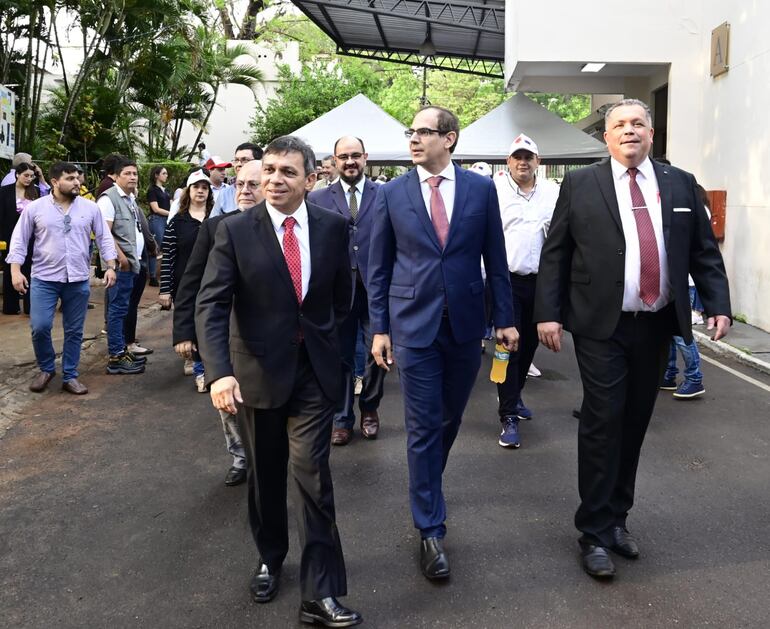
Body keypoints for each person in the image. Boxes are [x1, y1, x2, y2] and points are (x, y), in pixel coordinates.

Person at [534, 98, 731, 579]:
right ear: (606, 136)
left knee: (635, 423)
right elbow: (556, 253)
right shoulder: (581, 185)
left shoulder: (679, 183)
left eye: (637, 123)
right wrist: (548, 314)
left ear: (651, 131)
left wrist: (718, 302)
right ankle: (593, 532)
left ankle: (618, 518)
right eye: (618, 125)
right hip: (602, 325)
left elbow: (702, 250)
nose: (628, 131)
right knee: (603, 421)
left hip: (658, 322)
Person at [195, 136, 361, 626]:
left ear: (311, 179)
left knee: (313, 478)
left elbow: (341, 297)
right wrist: (220, 371)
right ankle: (270, 556)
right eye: (269, 170)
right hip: (254, 378)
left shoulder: (333, 228)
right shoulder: (235, 231)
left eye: (288, 171)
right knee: (266, 478)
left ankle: (321, 593)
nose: (274, 179)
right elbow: (212, 303)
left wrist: (326, 347)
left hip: (314, 374)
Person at [368, 106, 517, 580]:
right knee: (422, 424)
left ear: (449, 139)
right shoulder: (391, 193)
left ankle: (429, 480)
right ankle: (430, 527)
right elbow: (378, 267)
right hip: (412, 326)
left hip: (466, 324)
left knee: (449, 419)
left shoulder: (480, 189)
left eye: (425, 132)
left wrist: (506, 319)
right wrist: (379, 327)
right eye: (410, 132)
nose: (414, 139)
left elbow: (495, 258)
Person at [173, 160, 263, 487]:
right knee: (227, 399)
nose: (245, 191)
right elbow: (191, 282)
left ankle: (267, 455)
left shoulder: (283, 229)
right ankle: (240, 457)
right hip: (223, 331)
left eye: (253, 185)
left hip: (265, 335)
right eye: (239, 184)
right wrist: (184, 331)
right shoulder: (215, 228)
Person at [6, 162, 117, 394]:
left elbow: (104, 238)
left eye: (77, 178)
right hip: (44, 278)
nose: (77, 182)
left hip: (77, 279)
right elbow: (19, 240)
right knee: (40, 326)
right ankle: (47, 368)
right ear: (55, 182)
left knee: (75, 330)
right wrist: (16, 271)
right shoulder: (35, 208)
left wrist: (110, 265)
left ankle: (70, 375)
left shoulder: (90, 208)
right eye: (70, 178)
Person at [308, 136, 386, 445]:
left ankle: (369, 407)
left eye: (355, 155)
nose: (350, 161)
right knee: (339, 356)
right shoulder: (317, 199)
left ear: (366, 157)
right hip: (336, 292)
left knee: (378, 354)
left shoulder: (385, 194)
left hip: (376, 289)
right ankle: (342, 417)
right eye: (344, 156)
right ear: (335, 160)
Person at [492, 133, 559, 448]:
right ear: (508, 162)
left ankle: (514, 397)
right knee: (507, 348)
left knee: (530, 345)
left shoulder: (552, 192)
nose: (522, 162)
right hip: (505, 281)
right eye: (517, 157)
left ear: (538, 162)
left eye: (528, 157)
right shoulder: (495, 192)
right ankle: (507, 415)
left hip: (541, 283)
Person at [98, 159, 156, 374]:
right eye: (127, 173)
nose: (133, 177)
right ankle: (115, 357)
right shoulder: (108, 199)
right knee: (117, 309)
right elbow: (104, 233)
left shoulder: (130, 198)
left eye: (135, 173)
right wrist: (120, 258)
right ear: (116, 176)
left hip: (133, 262)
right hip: (121, 266)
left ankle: (122, 350)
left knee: (124, 308)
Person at [159, 169, 213, 392]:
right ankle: (199, 369)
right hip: (185, 284)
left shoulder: (217, 219)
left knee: (209, 326)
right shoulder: (177, 223)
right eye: (196, 187)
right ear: (188, 191)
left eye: (205, 187)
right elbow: (169, 256)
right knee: (190, 324)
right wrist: (165, 289)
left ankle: (206, 368)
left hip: (213, 282)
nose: (200, 191)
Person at [1, 162, 39, 314]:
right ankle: (11, 306)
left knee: (30, 270)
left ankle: (30, 307)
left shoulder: (36, 192)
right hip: (9, 236)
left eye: (31, 176)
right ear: (17, 174)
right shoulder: (4, 191)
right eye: (26, 175)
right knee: (11, 269)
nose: (29, 179)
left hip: (31, 238)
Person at [209, 142, 263, 217]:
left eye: (245, 160)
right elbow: (212, 224)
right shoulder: (225, 194)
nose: (238, 164)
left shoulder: (270, 191)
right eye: (236, 160)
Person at [146, 165, 171, 286]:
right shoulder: (152, 190)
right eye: (164, 173)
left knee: (167, 247)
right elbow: (155, 209)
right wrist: (172, 213)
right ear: (156, 175)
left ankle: (163, 275)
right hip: (157, 220)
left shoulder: (166, 190)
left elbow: (172, 204)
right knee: (155, 247)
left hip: (166, 219)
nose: (166, 176)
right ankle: (152, 276)